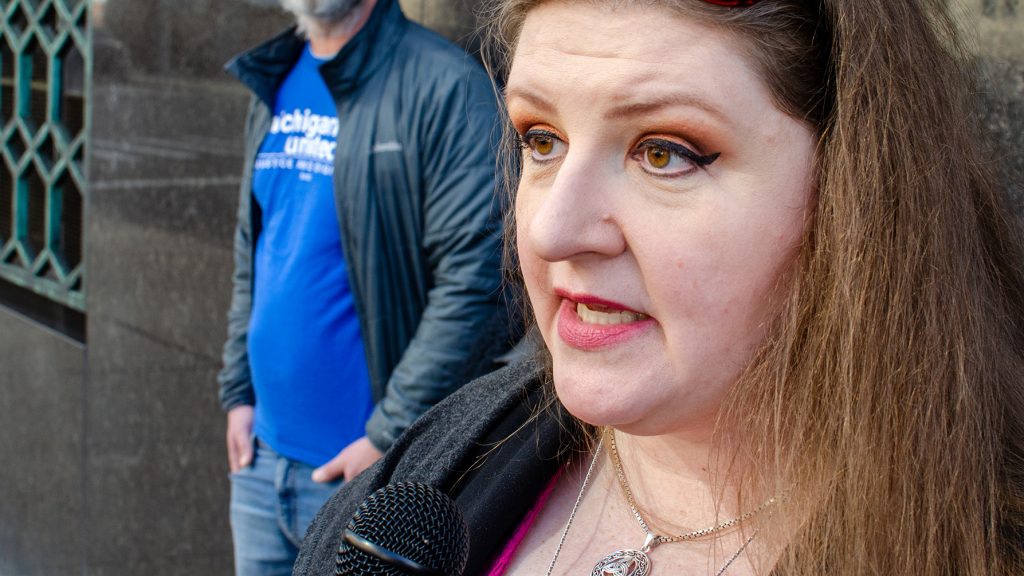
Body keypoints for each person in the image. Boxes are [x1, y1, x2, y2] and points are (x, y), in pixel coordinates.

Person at [295, 0, 1024, 574]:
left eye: (664, 152)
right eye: (540, 139)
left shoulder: (984, 531)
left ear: (856, 194)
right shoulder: (431, 468)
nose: (553, 229)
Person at [216, 0, 512, 573]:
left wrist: (388, 437)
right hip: (259, 458)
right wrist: (238, 392)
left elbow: (477, 283)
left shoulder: (446, 88)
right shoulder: (276, 76)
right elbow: (253, 248)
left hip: (368, 478)